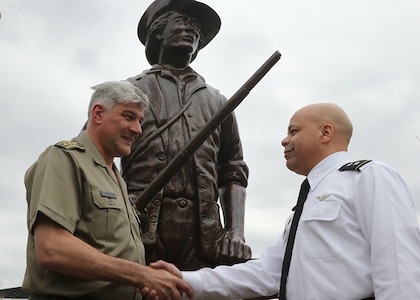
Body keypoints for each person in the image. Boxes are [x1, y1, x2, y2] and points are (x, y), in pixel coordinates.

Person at [152, 103, 420, 299]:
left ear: (326, 133)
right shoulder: (303, 206)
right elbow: (267, 273)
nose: (285, 140)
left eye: (294, 131)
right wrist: (183, 279)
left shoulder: (368, 177)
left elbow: (398, 267)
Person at [23, 80, 193, 300]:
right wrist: (142, 276)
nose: (138, 129)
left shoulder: (116, 178)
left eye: (140, 121)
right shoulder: (64, 159)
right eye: (129, 117)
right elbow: (52, 249)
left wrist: (147, 283)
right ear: (98, 114)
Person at [121, 0, 251, 271]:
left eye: (196, 28)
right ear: (159, 32)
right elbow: (93, 157)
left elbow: (233, 170)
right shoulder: (126, 92)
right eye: (182, 22)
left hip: (203, 234)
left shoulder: (218, 102)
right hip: (139, 229)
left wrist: (235, 231)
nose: (192, 30)